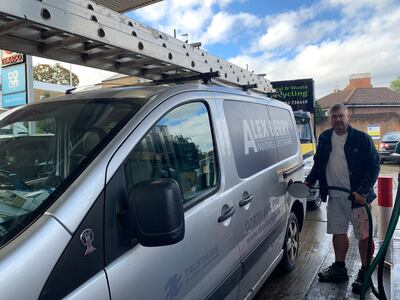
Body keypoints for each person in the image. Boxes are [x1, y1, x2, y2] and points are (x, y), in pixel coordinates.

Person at [305, 103, 380, 294]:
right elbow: (318, 164)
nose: (338, 120)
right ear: (330, 118)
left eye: (341, 116)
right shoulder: (324, 138)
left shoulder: (361, 139)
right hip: (334, 196)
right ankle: (340, 268)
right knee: (338, 232)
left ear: (348, 116)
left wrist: (362, 192)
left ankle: (365, 271)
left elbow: (374, 167)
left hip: (357, 199)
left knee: (363, 236)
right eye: (334, 116)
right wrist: (308, 182)